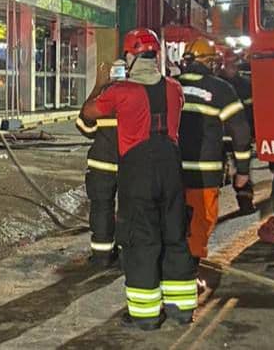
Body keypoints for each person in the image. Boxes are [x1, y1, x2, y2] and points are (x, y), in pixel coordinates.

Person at [81, 28, 196, 331]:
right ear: (156, 56)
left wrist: (103, 84)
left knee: (141, 241)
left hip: (138, 172)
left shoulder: (122, 92)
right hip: (171, 170)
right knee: (174, 235)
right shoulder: (174, 88)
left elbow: (88, 114)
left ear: (130, 56)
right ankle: (182, 308)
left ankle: (145, 315)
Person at [177, 38, 252, 274]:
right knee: (200, 224)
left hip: (171, 171)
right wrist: (242, 170)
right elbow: (240, 132)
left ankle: (174, 269)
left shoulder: (170, 86)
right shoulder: (220, 89)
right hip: (204, 174)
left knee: (172, 222)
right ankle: (189, 274)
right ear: (210, 63)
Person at [76, 58, 125, 268]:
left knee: (101, 209)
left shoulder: (102, 99)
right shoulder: (136, 96)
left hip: (101, 165)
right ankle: (126, 255)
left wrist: (97, 88)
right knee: (130, 209)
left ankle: (101, 257)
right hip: (129, 166)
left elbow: (84, 128)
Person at [218, 48, 255, 215]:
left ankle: (246, 203)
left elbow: (251, 111)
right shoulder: (216, 84)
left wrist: (252, 133)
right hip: (219, 136)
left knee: (242, 171)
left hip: (236, 136)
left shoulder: (245, 85)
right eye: (229, 64)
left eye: (234, 65)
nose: (232, 68)